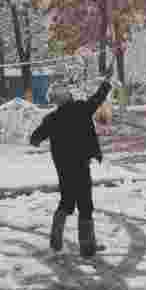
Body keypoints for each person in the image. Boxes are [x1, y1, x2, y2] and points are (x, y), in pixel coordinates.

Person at [29, 64, 114, 257]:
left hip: (64, 169)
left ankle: (55, 244)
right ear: (67, 96)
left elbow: (35, 139)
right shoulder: (81, 109)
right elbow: (98, 98)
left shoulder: (51, 119)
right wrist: (107, 81)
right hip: (81, 166)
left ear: (54, 100)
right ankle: (87, 247)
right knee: (85, 205)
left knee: (66, 203)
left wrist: (37, 138)